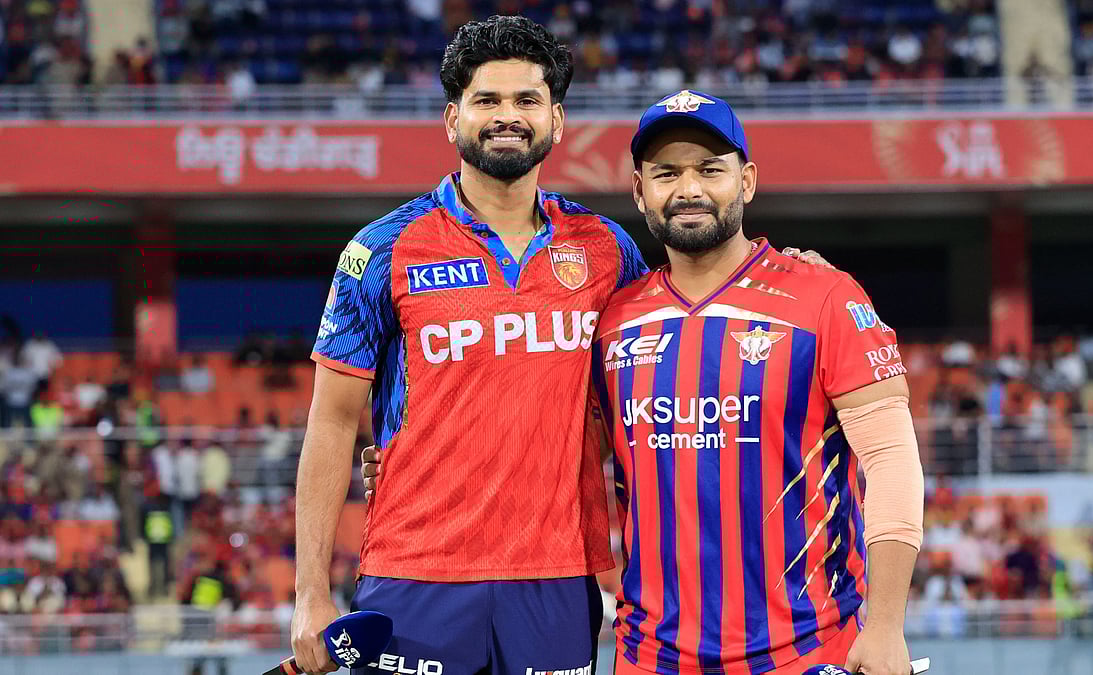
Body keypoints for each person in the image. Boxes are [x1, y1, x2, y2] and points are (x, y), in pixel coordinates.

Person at [362, 90, 923, 675]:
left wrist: (885, 626)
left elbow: (891, 460)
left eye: (710, 170)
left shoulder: (825, 298)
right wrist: (412, 462)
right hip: (648, 656)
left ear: (748, 180)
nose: (689, 190)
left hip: (809, 652)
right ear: (639, 191)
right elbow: (551, 440)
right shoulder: (614, 316)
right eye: (666, 174)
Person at [290, 16, 647, 675]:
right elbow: (333, 420)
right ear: (452, 120)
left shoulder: (607, 251)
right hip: (415, 574)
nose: (507, 116)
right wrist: (310, 592)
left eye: (526, 100)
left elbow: (667, 357)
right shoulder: (381, 249)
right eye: (487, 100)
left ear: (557, 120)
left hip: (557, 579)